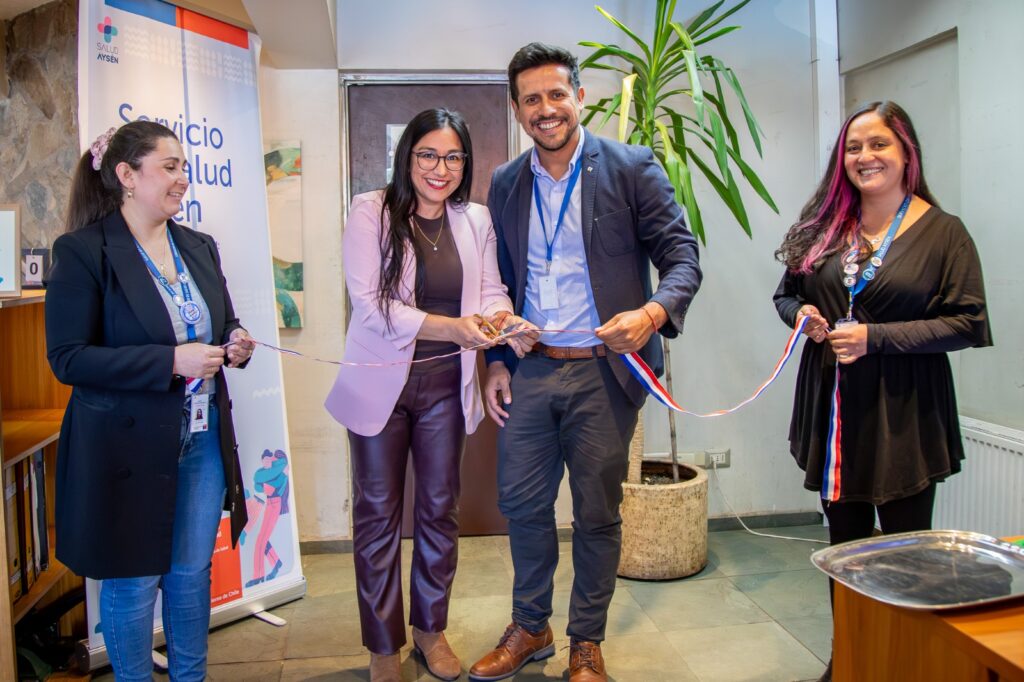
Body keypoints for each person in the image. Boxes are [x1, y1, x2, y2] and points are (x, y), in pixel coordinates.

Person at [470, 44, 702, 682]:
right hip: (532, 368)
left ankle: (586, 641)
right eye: (531, 99)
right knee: (520, 504)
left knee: (598, 512)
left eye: (556, 95)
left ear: (579, 97)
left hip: (606, 370)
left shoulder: (631, 167)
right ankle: (530, 625)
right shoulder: (507, 181)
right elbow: (498, 281)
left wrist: (650, 315)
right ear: (517, 110)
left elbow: (683, 257)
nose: (546, 110)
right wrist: (494, 361)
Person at [773, 101, 991, 681]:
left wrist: (877, 338)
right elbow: (785, 295)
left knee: (904, 555)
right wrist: (804, 317)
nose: (864, 157)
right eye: (853, 147)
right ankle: (850, 658)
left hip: (906, 414)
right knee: (843, 549)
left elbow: (968, 322)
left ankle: (904, 665)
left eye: (878, 145)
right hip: (835, 412)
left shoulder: (943, 233)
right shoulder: (823, 226)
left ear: (906, 153)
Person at [324, 108, 536, 682]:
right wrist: (456, 327)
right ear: (407, 157)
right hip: (379, 388)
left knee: (439, 513)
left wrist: (502, 323)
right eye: (427, 155)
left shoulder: (476, 220)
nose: (439, 169)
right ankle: (382, 646)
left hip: (446, 387)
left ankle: (429, 631)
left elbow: (491, 290)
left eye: (452, 157)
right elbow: (371, 307)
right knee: (376, 519)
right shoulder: (372, 212)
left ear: (465, 163)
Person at [45, 121, 255, 681]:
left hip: (201, 439)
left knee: (190, 576)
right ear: (126, 176)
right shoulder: (84, 252)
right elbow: (68, 359)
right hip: (124, 448)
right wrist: (170, 362)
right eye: (170, 166)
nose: (183, 178)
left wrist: (234, 342)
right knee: (134, 581)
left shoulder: (198, 246)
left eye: (184, 166)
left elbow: (223, 320)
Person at [243, 449, 289, 588]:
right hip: (270, 503)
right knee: (263, 538)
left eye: (272, 459)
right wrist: (266, 483)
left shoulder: (281, 470)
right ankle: (276, 563)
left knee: (260, 540)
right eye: (266, 459)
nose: (269, 461)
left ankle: (258, 576)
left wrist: (268, 482)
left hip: (274, 503)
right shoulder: (273, 471)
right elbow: (257, 481)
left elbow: (269, 483)